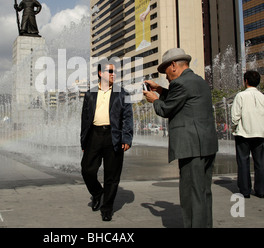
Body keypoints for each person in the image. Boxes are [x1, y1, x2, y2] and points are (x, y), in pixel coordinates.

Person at [143, 48, 218, 228]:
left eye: (166, 71)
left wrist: (154, 99)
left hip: (191, 147)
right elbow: (182, 100)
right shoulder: (198, 81)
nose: (166, 76)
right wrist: (161, 90)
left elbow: (166, 109)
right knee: (203, 192)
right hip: (206, 145)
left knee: (191, 194)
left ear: (174, 65)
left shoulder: (180, 84)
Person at [80, 60, 133, 222]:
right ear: (100, 73)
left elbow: (128, 118)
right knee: (87, 170)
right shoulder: (90, 94)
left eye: (114, 71)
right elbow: (85, 118)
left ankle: (107, 208)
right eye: (110, 71)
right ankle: (97, 193)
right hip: (94, 136)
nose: (113, 74)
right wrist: (84, 141)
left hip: (113, 136)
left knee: (112, 175)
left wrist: (126, 138)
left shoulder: (123, 94)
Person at [231, 70, 264, 199]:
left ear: (245, 81)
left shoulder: (240, 96)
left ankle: (245, 190)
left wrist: (234, 127)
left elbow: (235, 116)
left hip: (243, 133)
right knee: (260, 162)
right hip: (259, 133)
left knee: (243, 161)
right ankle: (261, 190)